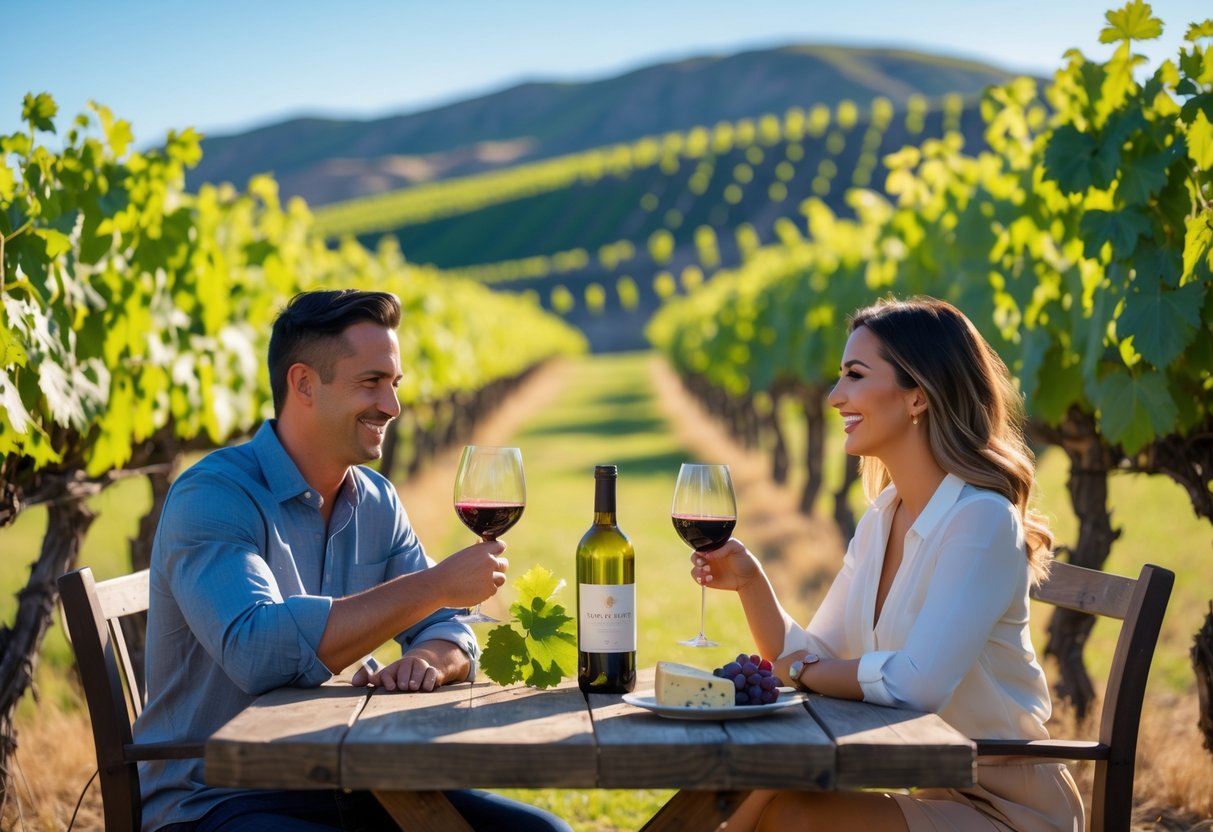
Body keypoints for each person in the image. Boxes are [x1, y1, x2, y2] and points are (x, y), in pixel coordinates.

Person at [135, 289, 571, 832]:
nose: (391, 406)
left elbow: (449, 628)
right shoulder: (214, 496)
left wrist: (432, 660)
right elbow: (257, 653)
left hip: (349, 774)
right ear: (303, 385)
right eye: (371, 383)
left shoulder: (375, 499)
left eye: (394, 385)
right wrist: (435, 586)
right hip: (216, 798)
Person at [693, 297, 1085, 831]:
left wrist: (805, 672)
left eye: (855, 375)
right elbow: (819, 654)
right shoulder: (884, 515)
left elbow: (915, 683)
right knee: (760, 783)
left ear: (918, 395)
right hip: (936, 791)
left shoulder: (981, 521)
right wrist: (750, 584)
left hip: (1010, 810)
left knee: (787, 813)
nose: (834, 397)